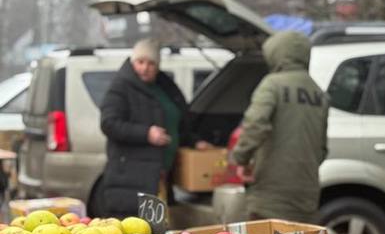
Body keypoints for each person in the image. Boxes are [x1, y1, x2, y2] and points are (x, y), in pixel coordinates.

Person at [98, 39, 208, 217]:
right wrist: (146, 133)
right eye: (140, 62)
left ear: (157, 66)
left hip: (159, 175)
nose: (145, 68)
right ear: (133, 62)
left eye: (151, 63)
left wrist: (194, 142)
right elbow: (109, 123)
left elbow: (176, 123)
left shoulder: (164, 87)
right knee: (138, 227)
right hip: (132, 175)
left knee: (157, 225)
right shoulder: (121, 87)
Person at [231, 31, 328, 223]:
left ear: (276, 53)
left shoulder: (272, 85)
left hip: (270, 192)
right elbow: (322, 149)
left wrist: (241, 158)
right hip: (307, 193)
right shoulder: (320, 94)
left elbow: (255, 124)